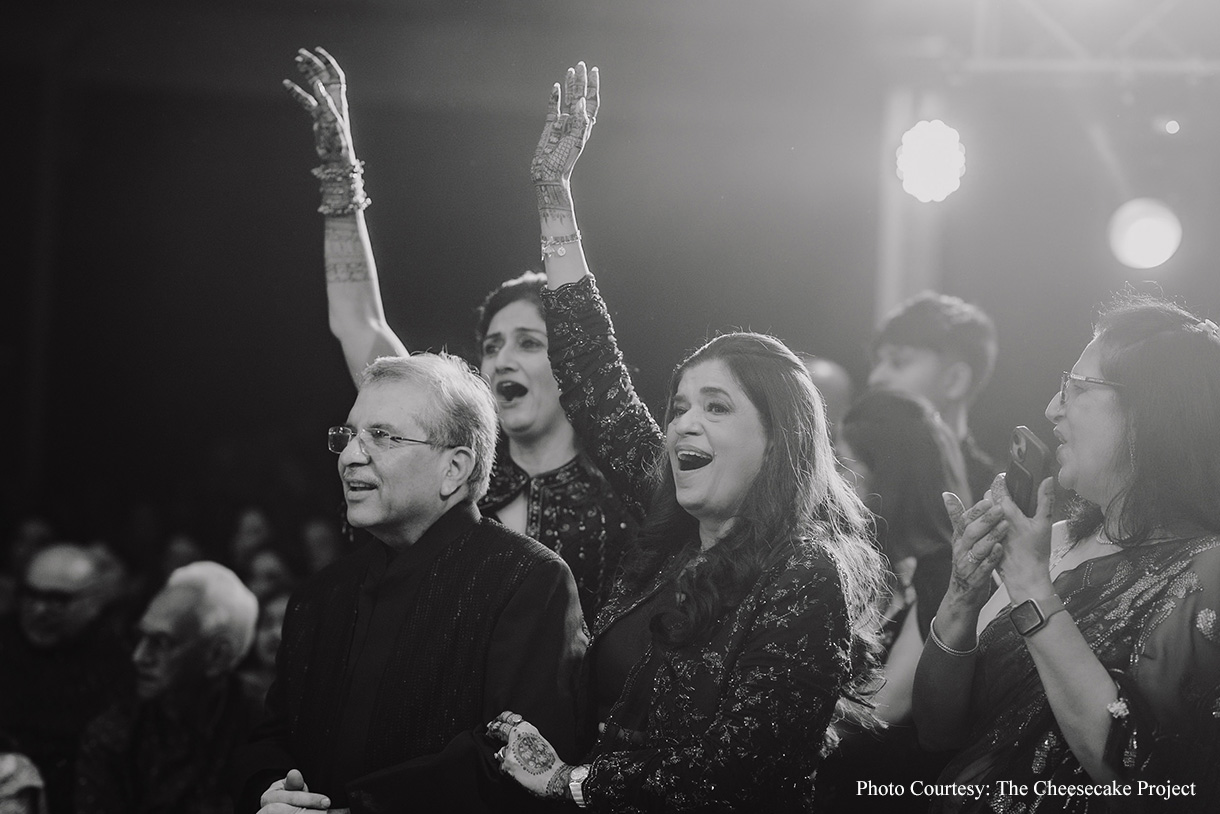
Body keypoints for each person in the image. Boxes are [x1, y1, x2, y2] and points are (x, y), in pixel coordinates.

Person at [486, 61, 886, 811]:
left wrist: (573, 783)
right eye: (677, 407)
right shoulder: (669, 547)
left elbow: (741, 771)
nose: (683, 424)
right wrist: (554, 196)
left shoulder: (802, 575)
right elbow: (598, 377)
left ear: (782, 441)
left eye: (717, 407)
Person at [282, 47, 638, 620]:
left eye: (529, 342)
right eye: (492, 346)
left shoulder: (624, 479)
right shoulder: (451, 470)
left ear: (568, 362)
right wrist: (339, 178)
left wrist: (553, 188)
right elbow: (361, 324)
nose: (501, 359)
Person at [232, 353, 587, 814]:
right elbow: (272, 735)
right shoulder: (320, 595)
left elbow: (520, 768)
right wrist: (271, 791)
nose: (350, 457)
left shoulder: (529, 581)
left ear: (454, 469)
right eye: (350, 436)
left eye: (380, 436)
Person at [912, 292, 1220, 812]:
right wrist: (962, 598)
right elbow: (937, 732)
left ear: (1149, 414)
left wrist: (1031, 588)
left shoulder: (1207, 569)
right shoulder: (1054, 541)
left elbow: (1142, 778)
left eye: (1076, 389)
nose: (1052, 408)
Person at [817, 388, 970, 811]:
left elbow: (887, 704)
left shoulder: (944, 574)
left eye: (846, 465)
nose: (835, 480)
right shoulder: (870, 557)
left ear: (890, 473)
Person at [76, 562, 260, 814]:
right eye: (139, 638)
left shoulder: (264, 723)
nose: (139, 657)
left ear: (217, 656)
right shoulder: (115, 733)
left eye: (161, 643)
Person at [0, 544, 133, 814]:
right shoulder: (3, 641)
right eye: (31, 595)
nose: (39, 610)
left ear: (93, 603)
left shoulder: (117, 662)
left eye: (57, 600)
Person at [868, 291, 1000, 502]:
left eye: (898, 361)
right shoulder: (858, 468)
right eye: (877, 363)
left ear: (955, 381)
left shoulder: (992, 496)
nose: (875, 378)